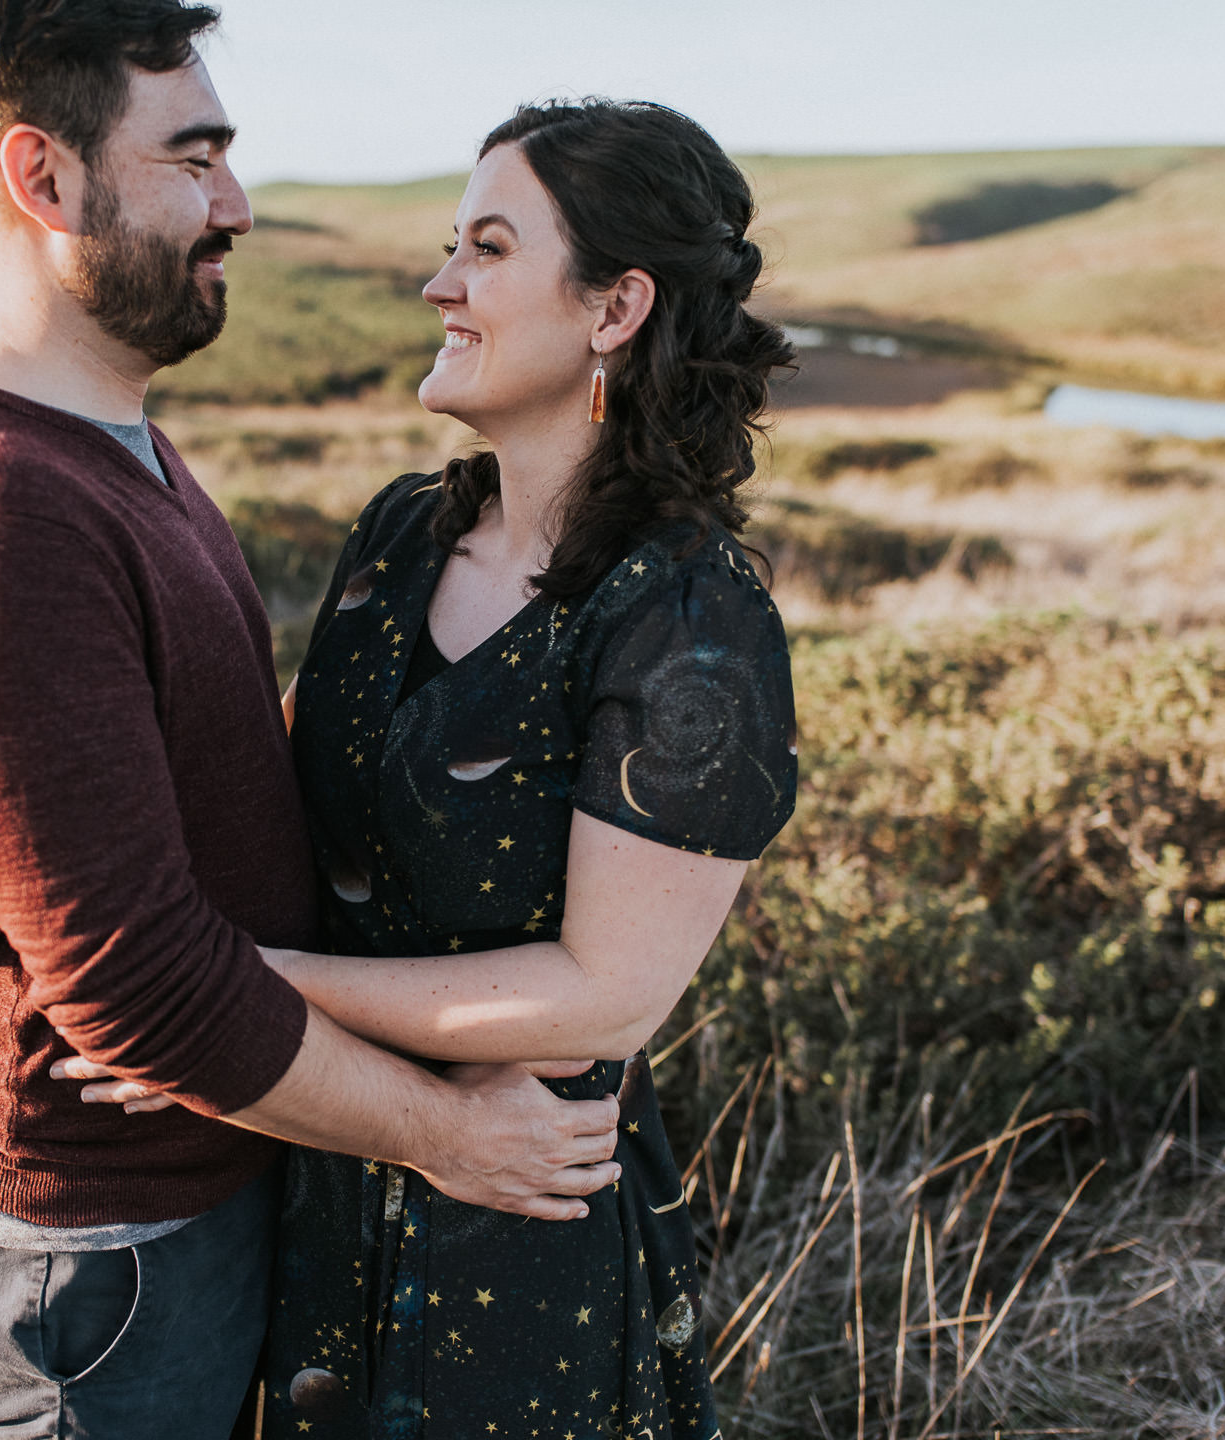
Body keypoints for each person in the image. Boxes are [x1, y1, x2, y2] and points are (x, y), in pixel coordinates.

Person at [0, 6, 623, 1437]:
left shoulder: (95, 431)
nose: (236, 206)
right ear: (42, 180)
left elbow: (203, 752)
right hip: (94, 1257)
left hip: (207, 1171)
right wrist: (455, 1140)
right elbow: (139, 993)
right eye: (194, 160)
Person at [67, 100, 799, 1438]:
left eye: (490, 247)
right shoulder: (404, 535)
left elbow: (603, 999)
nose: (438, 283)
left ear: (615, 307)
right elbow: (275, 793)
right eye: (448, 242)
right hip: (310, 1176)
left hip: (514, 1238)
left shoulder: (689, 623)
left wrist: (233, 995)